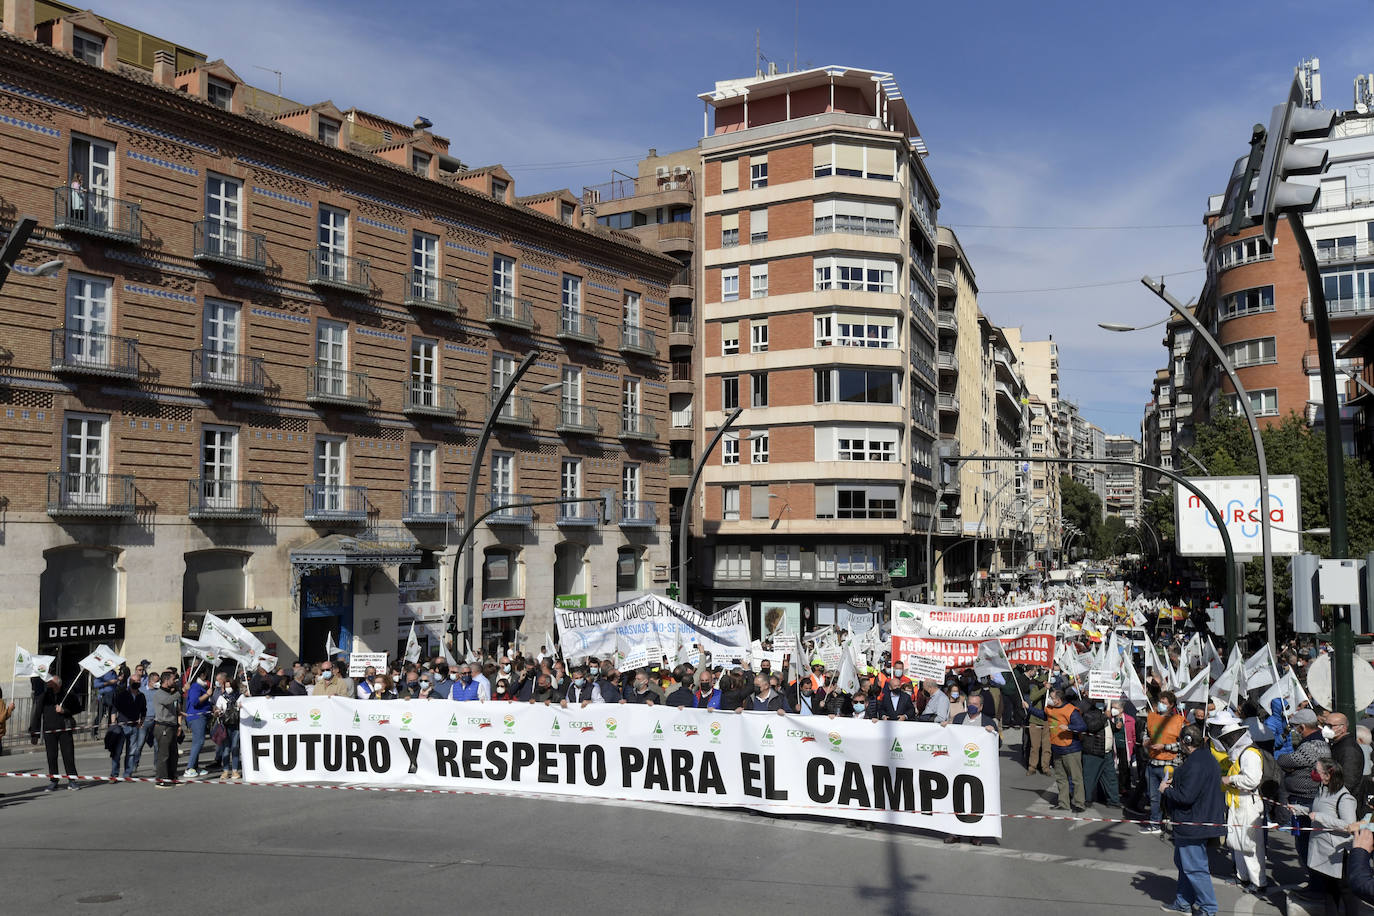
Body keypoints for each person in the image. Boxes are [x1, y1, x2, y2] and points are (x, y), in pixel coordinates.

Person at [1158, 724, 1225, 916]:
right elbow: (1195, 788)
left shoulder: (1196, 763)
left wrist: (1166, 790)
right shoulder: (1205, 758)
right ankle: (1183, 902)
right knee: (1184, 864)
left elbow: (1186, 796)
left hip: (1193, 822)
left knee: (1195, 868)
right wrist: (1176, 784)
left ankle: (1208, 908)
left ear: (1185, 742)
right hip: (1197, 819)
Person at [1291, 757, 1357, 913]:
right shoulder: (1322, 789)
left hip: (1338, 854)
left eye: (1316, 770)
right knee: (1329, 890)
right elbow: (1319, 810)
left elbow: (1349, 825)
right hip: (1324, 851)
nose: (1312, 773)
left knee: (1345, 891)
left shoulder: (1344, 797)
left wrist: (1320, 818)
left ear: (1328, 775)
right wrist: (1299, 809)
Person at [1215, 718, 1267, 893]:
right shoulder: (1241, 753)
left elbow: (1252, 780)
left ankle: (1258, 882)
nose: (1229, 741)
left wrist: (1230, 780)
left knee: (1250, 845)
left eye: (1230, 737)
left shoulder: (1249, 754)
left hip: (1248, 803)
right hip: (1238, 802)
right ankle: (1242, 877)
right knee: (1236, 842)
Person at [1278, 708, 1329, 868]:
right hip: (1307, 796)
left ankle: (1314, 882)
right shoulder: (1318, 741)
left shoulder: (1310, 746)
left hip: (1306, 799)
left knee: (1305, 842)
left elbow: (1286, 761)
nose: (1295, 732)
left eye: (1295, 728)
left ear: (1302, 727)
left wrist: (1285, 761)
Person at [1025, 688, 1087, 812]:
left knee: (1076, 778)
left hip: (1071, 749)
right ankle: (1063, 803)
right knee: (1061, 778)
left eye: (1052, 697)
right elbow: (1044, 715)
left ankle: (1079, 804)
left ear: (1058, 700)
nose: (1049, 699)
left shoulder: (1071, 710)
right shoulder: (1050, 708)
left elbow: (1082, 726)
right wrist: (1029, 708)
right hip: (1057, 747)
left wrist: (1069, 727)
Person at [1142, 690, 1186, 835]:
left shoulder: (1179, 721)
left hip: (1170, 765)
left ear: (1172, 705)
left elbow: (1184, 744)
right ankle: (1155, 824)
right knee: (1153, 797)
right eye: (1160, 702)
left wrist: (1165, 747)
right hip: (1152, 764)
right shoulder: (1151, 717)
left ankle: (1176, 827)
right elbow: (1145, 734)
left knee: (1172, 797)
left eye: (1164, 703)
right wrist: (1145, 742)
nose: (1161, 705)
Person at [31, 674, 81, 790]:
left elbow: (78, 708)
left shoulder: (67, 694)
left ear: (58, 684)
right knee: (51, 756)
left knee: (68, 755)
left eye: (51, 682)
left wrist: (64, 710)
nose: (48, 684)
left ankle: (72, 780)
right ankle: (54, 780)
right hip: (49, 731)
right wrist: (35, 733)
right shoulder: (44, 696)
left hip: (64, 730)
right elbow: (37, 715)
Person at [1079, 698, 1120, 809]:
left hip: (1107, 752)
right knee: (1089, 778)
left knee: (1110, 777)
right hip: (1094, 751)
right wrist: (1105, 716)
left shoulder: (1104, 713)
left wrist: (1116, 727)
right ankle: (1086, 799)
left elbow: (1107, 728)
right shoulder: (1089, 713)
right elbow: (1092, 727)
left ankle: (1114, 801)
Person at [108, 672, 146, 779]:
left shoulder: (141, 696)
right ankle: (114, 775)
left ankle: (127, 774)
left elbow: (144, 711)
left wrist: (141, 723)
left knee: (131, 753)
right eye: (135, 681)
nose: (137, 683)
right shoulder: (123, 694)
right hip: (121, 726)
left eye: (139, 681)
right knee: (117, 752)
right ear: (130, 682)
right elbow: (114, 709)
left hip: (134, 727)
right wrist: (113, 723)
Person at [150, 672, 183, 788]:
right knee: (164, 754)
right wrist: (181, 691)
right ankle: (161, 779)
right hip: (163, 726)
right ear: (166, 680)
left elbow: (171, 706)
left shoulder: (170, 693)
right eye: (173, 679)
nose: (175, 681)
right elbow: (168, 701)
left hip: (172, 726)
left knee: (173, 754)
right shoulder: (159, 693)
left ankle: (172, 776)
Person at [182, 668, 214, 779]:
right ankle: (189, 768)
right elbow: (195, 702)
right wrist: (207, 695)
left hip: (199, 716)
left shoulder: (198, 687)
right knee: (199, 742)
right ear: (203, 675)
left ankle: (194, 767)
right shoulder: (196, 687)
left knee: (197, 742)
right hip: (197, 717)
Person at [1322, 712, 1364, 794]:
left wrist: (1335, 798)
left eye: (1330, 726)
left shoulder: (1349, 749)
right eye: (1325, 725)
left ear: (1343, 728)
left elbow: (1349, 780)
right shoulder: (1337, 744)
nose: (1326, 729)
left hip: (1342, 801)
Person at [213, 675, 242, 780]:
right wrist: (217, 712)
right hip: (225, 725)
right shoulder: (221, 697)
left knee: (235, 747)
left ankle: (234, 771)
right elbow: (216, 710)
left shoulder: (240, 696)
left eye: (230, 686)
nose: (228, 688)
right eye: (226, 686)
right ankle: (225, 771)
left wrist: (241, 706)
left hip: (237, 725)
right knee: (226, 748)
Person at [1025, 672, 1053, 776]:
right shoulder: (1035, 688)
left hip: (1048, 721)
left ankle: (1045, 767)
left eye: (1045, 681)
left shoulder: (1052, 690)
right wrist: (1044, 689)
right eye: (1042, 682)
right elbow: (1033, 697)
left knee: (1047, 746)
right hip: (1035, 720)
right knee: (1035, 746)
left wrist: (1050, 691)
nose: (1044, 683)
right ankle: (1032, 767)